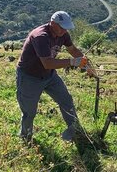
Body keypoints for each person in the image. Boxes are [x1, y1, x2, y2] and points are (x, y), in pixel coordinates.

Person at [16, 11, 89, 142]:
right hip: (29, 77)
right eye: (61, 27)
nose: (64, 30)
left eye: (66, 28)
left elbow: (72, 50)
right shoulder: (40, 36)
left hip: (49, 76)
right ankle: (25, 139)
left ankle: (74, 130)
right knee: (29, 112)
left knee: (66, 100)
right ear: (53, 23)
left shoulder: (63, 34)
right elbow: (47, 63)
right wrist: (72, 62)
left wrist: (85, 63)